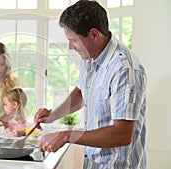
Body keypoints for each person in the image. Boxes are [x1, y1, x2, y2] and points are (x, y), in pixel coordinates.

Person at [34, 1, 147, 168]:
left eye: (74, 40)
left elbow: (122, 134)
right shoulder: (90, 56)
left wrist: (67, 135)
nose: (70, 47)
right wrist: (53, 115)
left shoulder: (124, 68)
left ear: (94, 34)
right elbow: (81, 93)